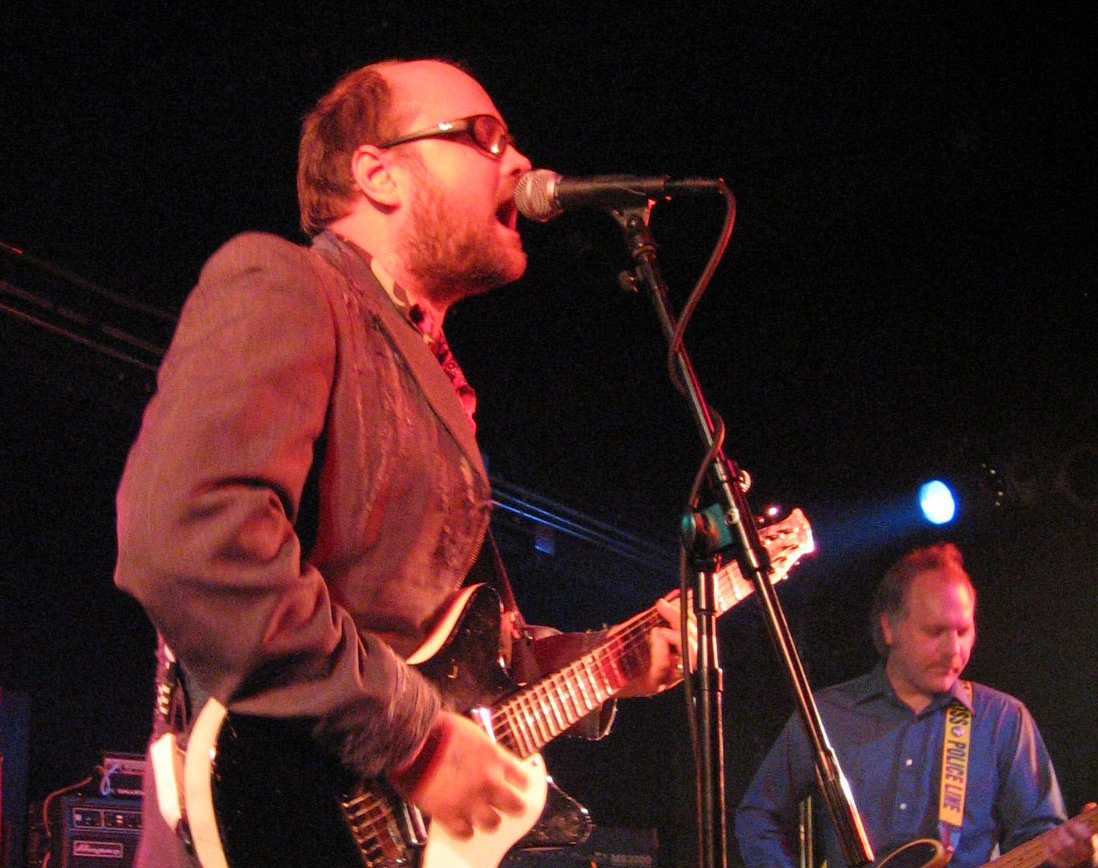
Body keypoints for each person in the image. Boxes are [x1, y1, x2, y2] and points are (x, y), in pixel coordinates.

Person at [114, 58, 690, 867]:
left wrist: (609, 662)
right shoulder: (286, 283)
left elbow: (443, 649)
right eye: (484, 138)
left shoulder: (430, 373)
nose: (521, 165)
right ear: (377, 174)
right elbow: (193, 543)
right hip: (269, 812)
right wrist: (412, 739)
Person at [735, 542, 1095, 867]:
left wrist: (1070, 856)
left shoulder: (1003, 719)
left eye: (964, 631)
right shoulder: (826, 715)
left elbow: (1037, 842)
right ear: (890, 629)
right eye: (936, 632)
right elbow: (757, 817)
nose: (954, 650)